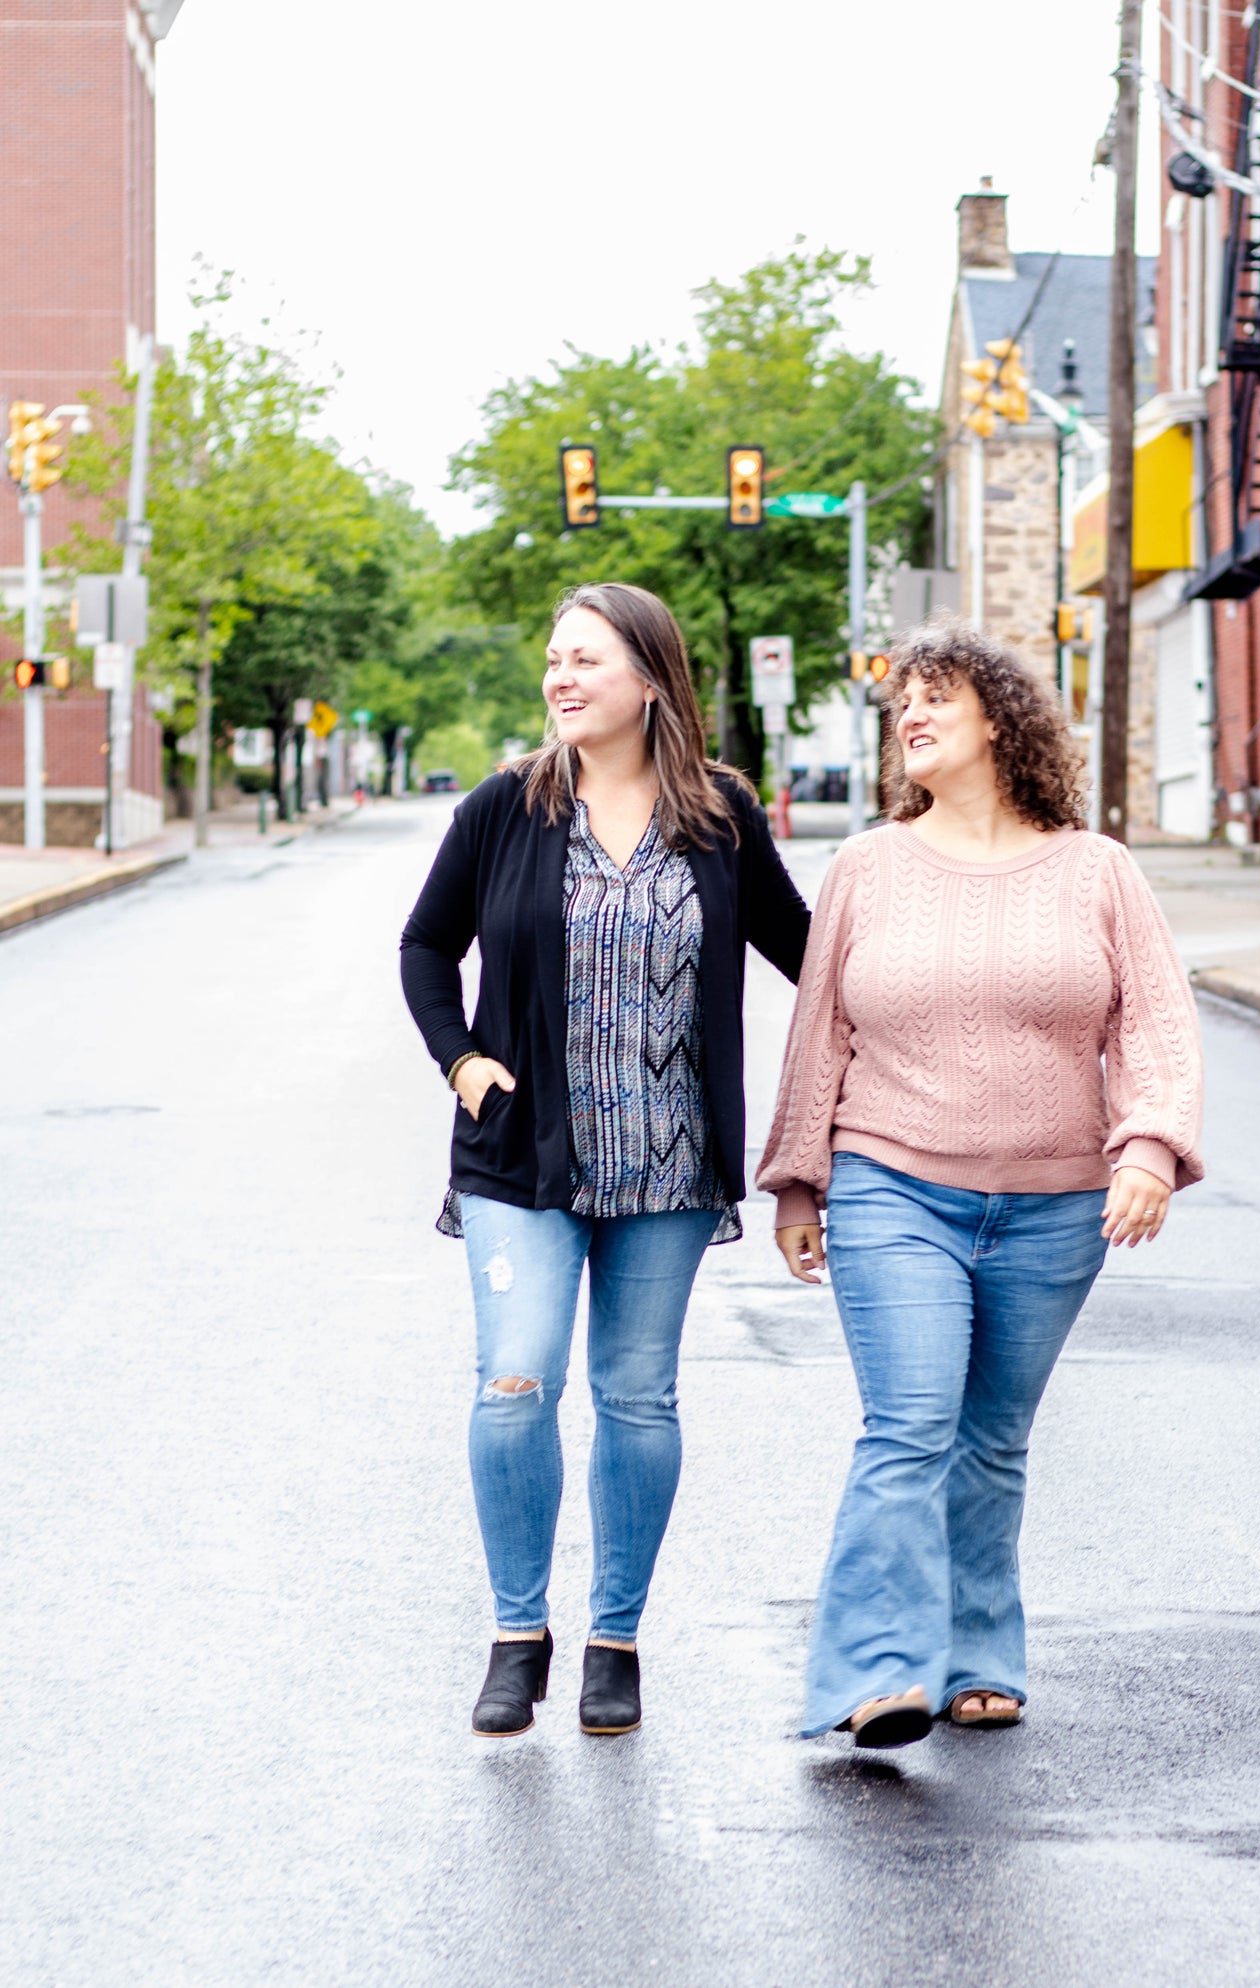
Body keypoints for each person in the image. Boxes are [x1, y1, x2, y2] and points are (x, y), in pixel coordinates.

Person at [758, 620, 1203, 1749]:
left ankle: (977, 1657)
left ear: (1000, 720)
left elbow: (1153, 1022)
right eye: (901, 701)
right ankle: (876, 1672)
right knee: (910, 1426)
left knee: (991, 1439)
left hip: (1056, 1204)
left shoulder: (1097, 870)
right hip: (893, 1181)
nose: (910, 713)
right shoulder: (866, 868)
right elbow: (820, 1032)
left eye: (936, 696)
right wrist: (800, 1179)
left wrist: (1148, 1148)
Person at [401, 582, 810, 1739]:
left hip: (670, 1169)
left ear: (649, 676)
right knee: (515, 1378)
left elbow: (808, 952)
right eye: (553, 658)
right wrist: (461, 1059)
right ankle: (515, 1632)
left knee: (636, 1395)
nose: (560, 677)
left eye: (584, 658)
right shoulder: (506, 806)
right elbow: (426, 943)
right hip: (520, 1158)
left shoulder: (720, 815)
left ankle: (614, 1640)